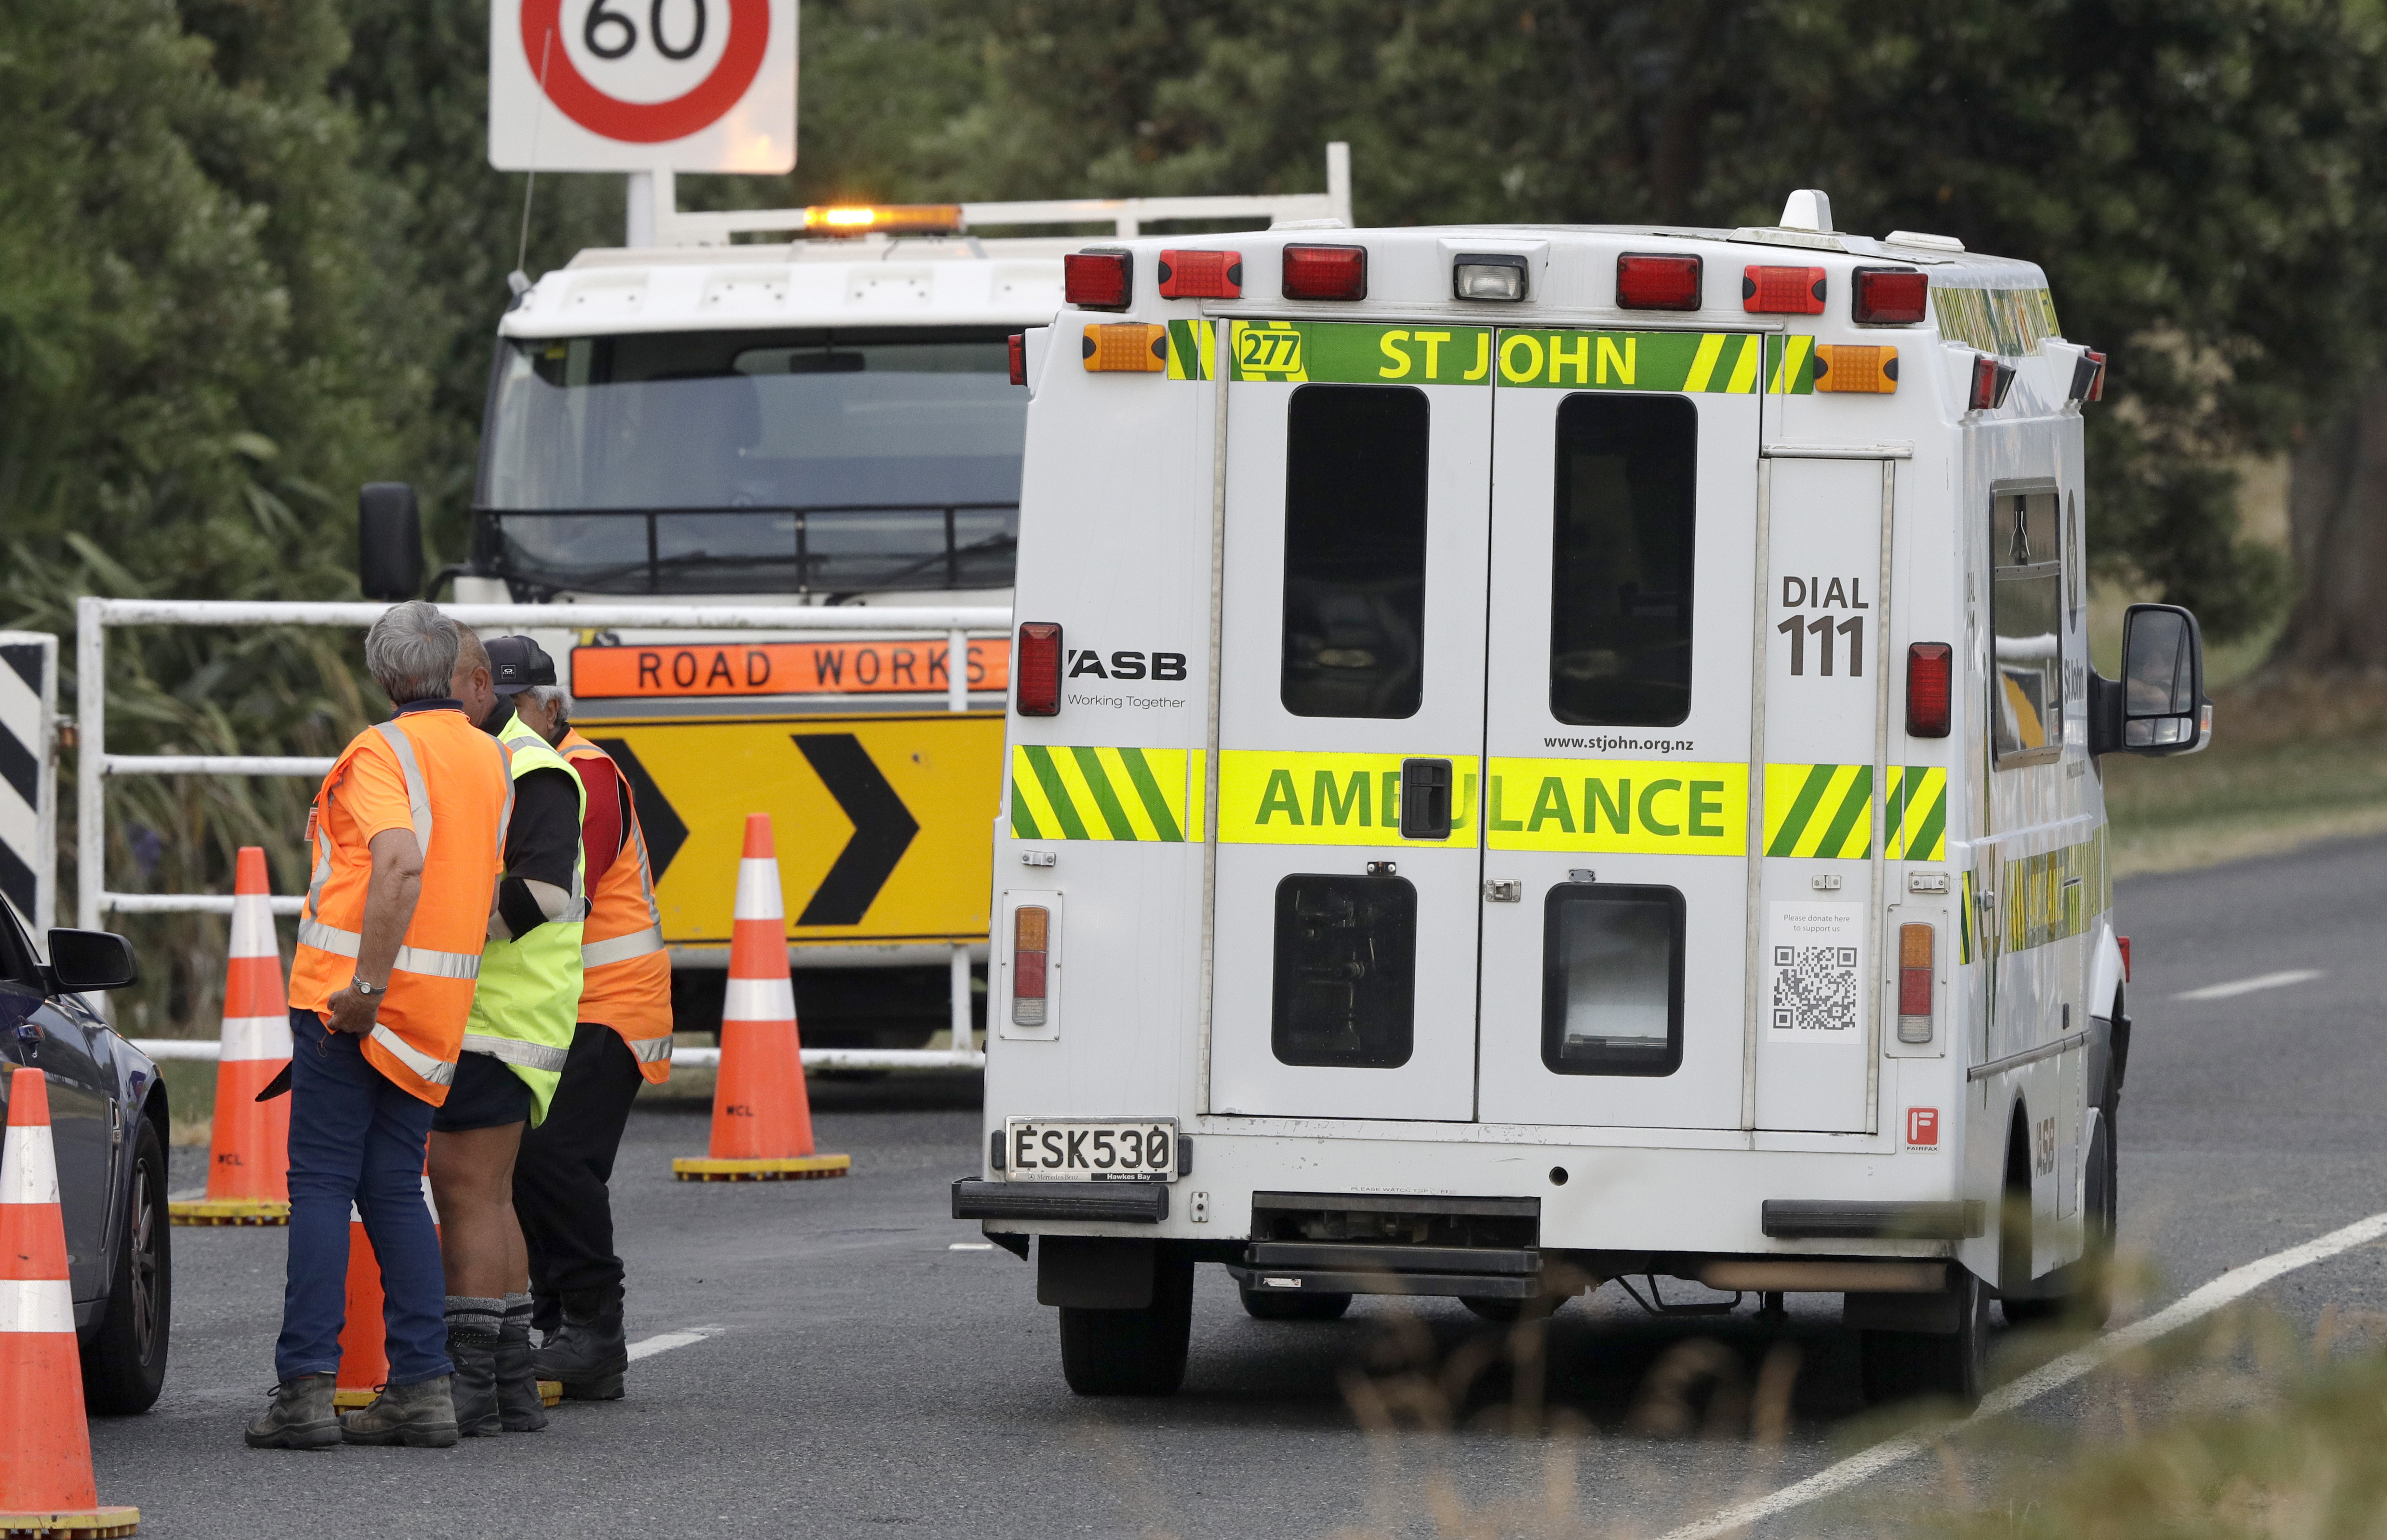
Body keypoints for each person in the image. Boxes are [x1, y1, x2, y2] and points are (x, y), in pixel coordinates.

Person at [246, 601, 510, 1451]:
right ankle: (424, 1390)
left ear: (384, 674)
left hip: (355, 1002)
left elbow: (397, 863)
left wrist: (363, 986)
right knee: (396, 1186)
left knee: (322, 1184)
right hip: (435, 1009)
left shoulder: (379, 751)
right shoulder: (488, 756)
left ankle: (305, 1394)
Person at [424, 632, 586, 1435]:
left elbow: (546, 895)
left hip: (498, 1015)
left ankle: (470, 1383)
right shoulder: (495, 759)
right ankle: (510, 1385)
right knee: (486, 1193)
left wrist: (443, 936)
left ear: (482, 686)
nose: (437, 693)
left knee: (462, 1188)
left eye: (447, 680)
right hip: (501, 1012)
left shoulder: (528, 767)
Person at [506, 651, 674, 1400]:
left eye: (519, 708)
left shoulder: (585, 773)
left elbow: (563, 884)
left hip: (609, 1001)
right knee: (518, 1159)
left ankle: (593, 1328)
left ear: (553, 708)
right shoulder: (518, 769)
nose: (503, 723)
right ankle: (558, 1327)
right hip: (554, 1003)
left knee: (552, 1155)